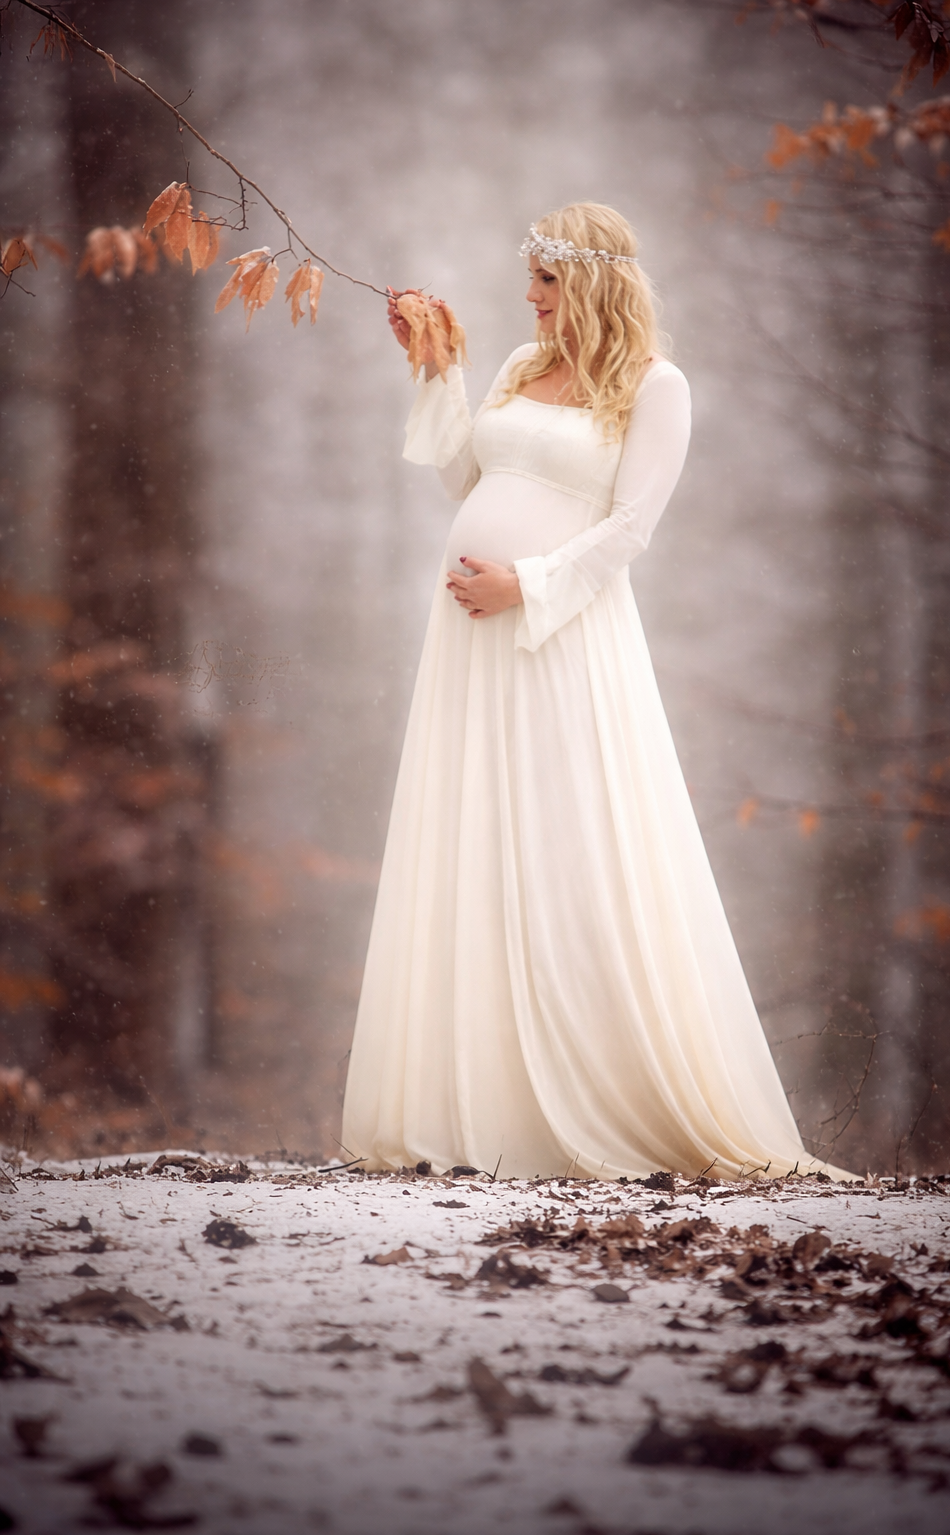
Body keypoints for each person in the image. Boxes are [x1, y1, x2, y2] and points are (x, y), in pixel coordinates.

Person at [342, 202, 843, 1182]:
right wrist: (437, 367)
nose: (526, 298)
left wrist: (521, 585)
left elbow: (628, 531)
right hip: (469, 640)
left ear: (593, 285)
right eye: (528, 279)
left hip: (560, 634)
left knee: (566, 841)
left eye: (544, 280)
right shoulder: (520, 369)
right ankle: (472, 1101)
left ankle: (587, 1084)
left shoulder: (657, 388)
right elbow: (461, 479)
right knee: (476, 837)